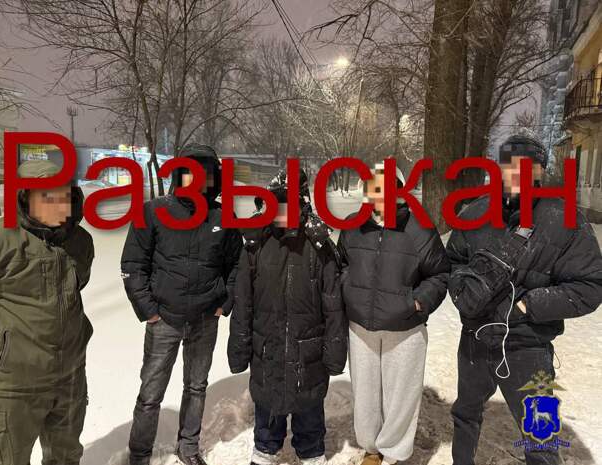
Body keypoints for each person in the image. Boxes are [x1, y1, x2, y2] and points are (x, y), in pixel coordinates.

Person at [446, 134, 602, 465]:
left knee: (541, 435)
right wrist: (462, 291)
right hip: (475, 339)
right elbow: (453, 263)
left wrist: (529, 305)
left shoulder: (565, 219)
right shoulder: (475, 212)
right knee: (465, 415)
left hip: (528, 346)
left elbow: (590, 285)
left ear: (540, 171)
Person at [121, 144, 243, 465]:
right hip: (164, 320)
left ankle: (188, 448)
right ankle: (139, 455)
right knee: (150, 394)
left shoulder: (223, 217)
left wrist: (225, 302)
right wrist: (149, 311)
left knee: (196, 388)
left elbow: (237, 265)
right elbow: (133, 265)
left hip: (205, 318)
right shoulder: (153, 211)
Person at [228, 169, 347, 465]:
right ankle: (265, 449)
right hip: (267, 350)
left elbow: (333, 306)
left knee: (309, 409)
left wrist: (335, 355)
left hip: (308, 355)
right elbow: (243, 302)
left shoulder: (319, 247)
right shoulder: (255, 244)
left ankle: (312, 451)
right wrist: (239, 350)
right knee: (268, 407)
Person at [0, 159, 94, 465]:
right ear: (24, 197)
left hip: (69, 378)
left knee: (66, 458)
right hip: (12, 386)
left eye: (63, 195)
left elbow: (75, 290)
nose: (57, 204)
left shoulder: (80, 241)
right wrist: (0, 350)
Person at [337, 163, 450, 465]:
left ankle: (394, 452)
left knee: (401, 396)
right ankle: (371, 449)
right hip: (361, 327)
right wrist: (349, 289)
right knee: (366, 393)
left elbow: (440, 274)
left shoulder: (419, 229)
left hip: (405, 329)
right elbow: (342, 262)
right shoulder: (353, 225)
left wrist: (416, 303)